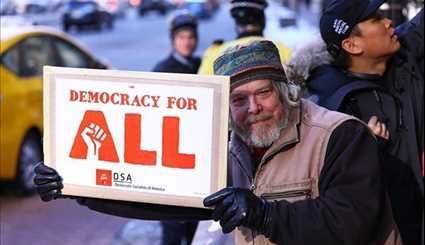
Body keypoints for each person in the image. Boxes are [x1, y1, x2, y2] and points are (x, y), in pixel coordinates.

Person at [35, 40, 402, 245]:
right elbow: (162, 197)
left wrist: (263, 213)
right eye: (239, 100)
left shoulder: (339, 134)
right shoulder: (229, 148)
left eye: (263, 94)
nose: (254, 109)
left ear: (286, 92)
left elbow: (349, 223)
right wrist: (77, 184)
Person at [285, 0, 423, 244]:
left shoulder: (404, 55)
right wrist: (362, 150)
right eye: (375, 20)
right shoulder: (331, 110)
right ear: (352, 45)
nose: (389, 21)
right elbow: (336, 208)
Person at [152, 11, 200, 245]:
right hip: (169, 162)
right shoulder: (162, 69)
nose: (187, 42)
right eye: (182, 37)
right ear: (173, 39)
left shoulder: (201, 65)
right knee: (171, 228)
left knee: (194, 226)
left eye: (191, 37)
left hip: (194, 160)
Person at [197, 0, 291, 75]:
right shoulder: (282, 49)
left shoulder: (215, 52)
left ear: (236, 22)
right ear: (263, 20)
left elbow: (202, 89)